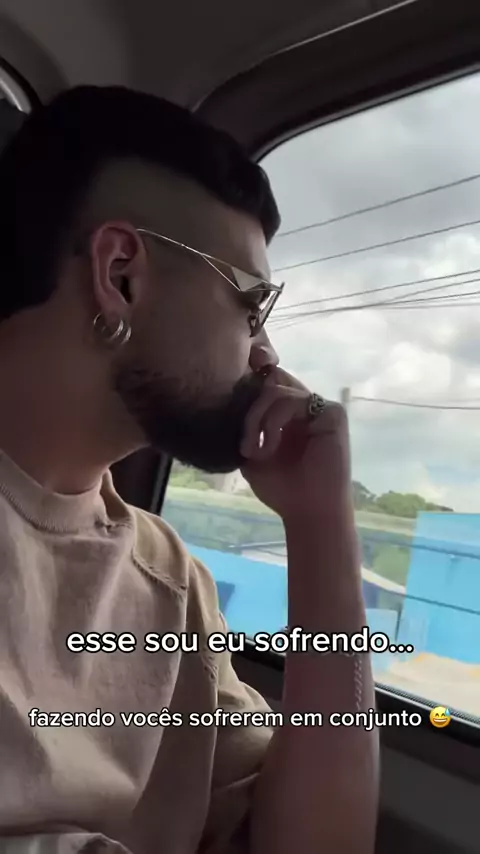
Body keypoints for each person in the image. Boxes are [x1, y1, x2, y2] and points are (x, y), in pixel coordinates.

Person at [0, 87, 379, 854]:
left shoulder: (171, 580)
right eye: (251, 306)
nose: (266, 354)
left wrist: (321, 528)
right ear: (121, 275)